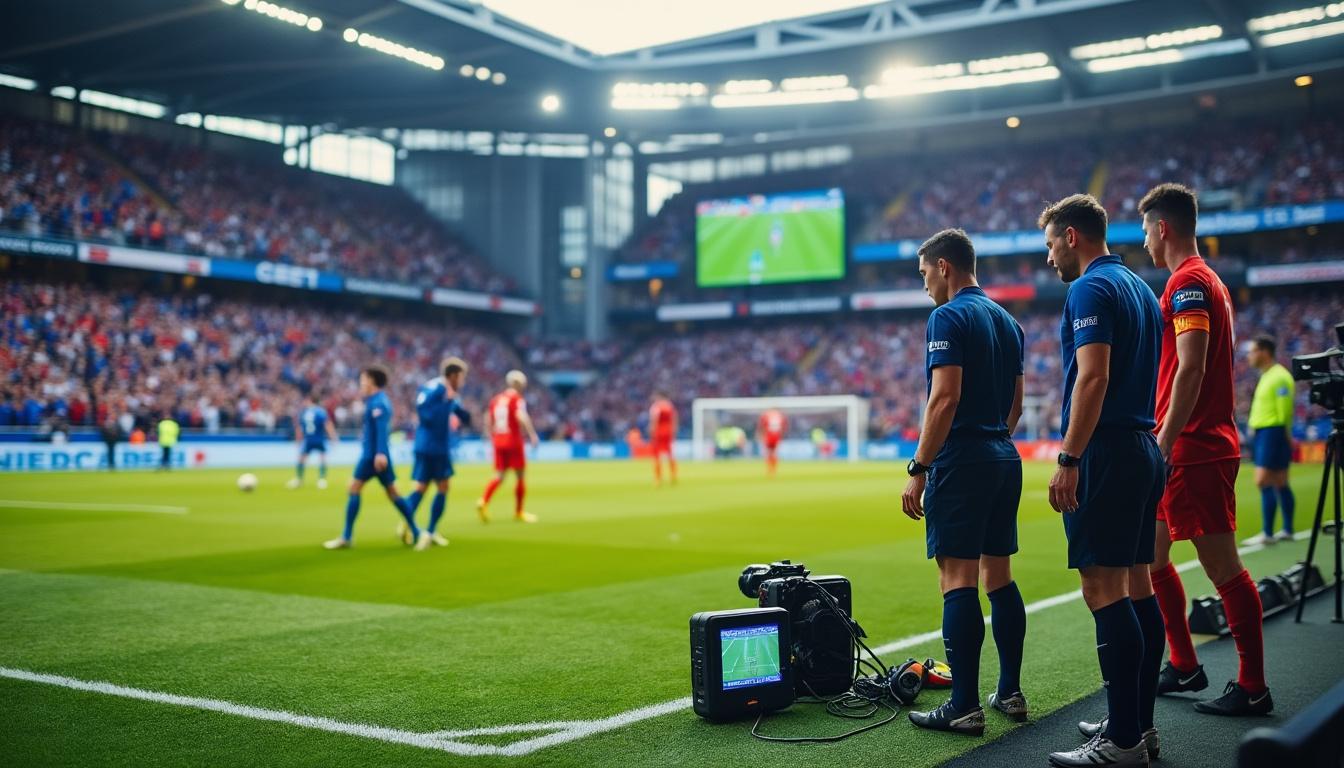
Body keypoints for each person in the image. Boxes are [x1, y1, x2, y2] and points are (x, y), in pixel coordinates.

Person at [1039, 194, 1166, 767]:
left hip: (1108, 449)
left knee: (1103, 590)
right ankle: (1137, 726)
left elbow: (1093, 377)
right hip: (1143, 445)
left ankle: (1121, 744)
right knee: (1138, 585)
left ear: (1071, 236)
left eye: (1048, 245)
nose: (1048, 259)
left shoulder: (1089, 288)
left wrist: (1069, 458)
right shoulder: (1140, 287)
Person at [1137, 183, 1273, 717]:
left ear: (1162, 227)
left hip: (1193, 449)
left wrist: (1165, 442)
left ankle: (1253, 685)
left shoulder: (1190, 281)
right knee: (1151, 557)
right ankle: (1186, 664)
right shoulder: (1202, 280)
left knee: (1223, 568)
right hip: (1184, 446)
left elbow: (1190, 367)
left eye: (1147, 229)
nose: (1146, 240)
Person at [901, 229, 1028, 736]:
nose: (925, 284)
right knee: (1000, 576)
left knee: (957, 580)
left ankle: (964, 706)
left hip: (964, 459)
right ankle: (1011, 692)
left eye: (925, 273)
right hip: (1003, 455)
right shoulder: (1008, 321)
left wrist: (919, 468)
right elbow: (1017, 401)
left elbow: (944, 397)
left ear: (945, 266)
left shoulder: (947, 316)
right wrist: (994, 440)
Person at [324, 365, 428, 550]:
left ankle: (347, 537)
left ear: (372, 380)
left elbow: (382, 430)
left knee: (354, 488)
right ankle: (417, 531)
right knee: (392, 493)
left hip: (373, 456)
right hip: (375, 454)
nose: (361, 383)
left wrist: (379, 453)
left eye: (363, 379)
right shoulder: (374, 400)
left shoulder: (379, 402)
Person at [401, 357, 472, 548]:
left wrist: (464, 414)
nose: (463, 382)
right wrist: (447, 402)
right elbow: (427, 416)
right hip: (436, 447)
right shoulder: (442, 391)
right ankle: (429, 531)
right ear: (453, 376)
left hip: (423, 445)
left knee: (421, 488)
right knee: (443, 487)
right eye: (461, 378)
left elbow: (458, 412)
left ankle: (406, 523)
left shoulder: (430, 387)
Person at [1246, 335, 1296, 545]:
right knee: (1280, 481)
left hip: (1272, 431)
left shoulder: (1279, 376)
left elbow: (1284, 409)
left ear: (1264, 352)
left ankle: (1267, 532)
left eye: (1253, 351)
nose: (1249, 356)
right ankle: (1287, 530)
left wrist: (1284, 435)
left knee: (1263, 480)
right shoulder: (1267, 375)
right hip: (1266, 432)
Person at [477, 370, 540, 523]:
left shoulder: (496, 399)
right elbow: (521, 415)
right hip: (513, 440)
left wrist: (490, 434)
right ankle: (519, 512)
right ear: (518, 384)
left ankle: (483, 501)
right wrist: (532, 434)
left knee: (499, 476)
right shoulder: (517, 398)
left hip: (498, 440)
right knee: (520, 476)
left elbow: (488, 418)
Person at [287, 393, 338, 490]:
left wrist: (298, 441)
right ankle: (322, 480)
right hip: (319, 438)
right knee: (323, 457)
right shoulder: (321, 412)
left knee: (301, 458)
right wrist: (333, 437)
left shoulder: (304, 412)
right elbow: (328, 425)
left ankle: (299, 479)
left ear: (310, 400)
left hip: (308, 439)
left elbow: (299, 428)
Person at [649, 392, 678, 486]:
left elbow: (655, 419)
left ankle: (658, 478)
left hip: (659, 432)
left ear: (659, 396)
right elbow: (675, 418)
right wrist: (673, 429)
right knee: (670, 454)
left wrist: (652, 429)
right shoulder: (670, 406)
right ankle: (673, 476)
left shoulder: (656, 406)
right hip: (669, 431)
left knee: (657, 455)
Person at [758, 408, 787, 476]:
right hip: (776, 435)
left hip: (769, 435)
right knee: (774, 453)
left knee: (768, 453)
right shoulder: (780, 416)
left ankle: (770, 469)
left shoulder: (766, 415)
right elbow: (784, 427)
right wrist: (782, 434)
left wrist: (761, 435)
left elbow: (762, 426)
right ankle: (773, 469)